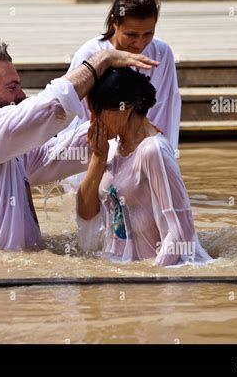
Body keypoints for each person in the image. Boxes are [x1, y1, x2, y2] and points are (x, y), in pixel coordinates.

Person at [0, 43, 158, 257]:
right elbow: (50, 107)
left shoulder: (5, 150)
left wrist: (117, 125)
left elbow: (53, 155)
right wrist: (102, 60)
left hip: (15, 277)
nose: (22, 95)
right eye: (12, 88)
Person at [76, 68, 212, 266]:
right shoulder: (111, 148)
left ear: (125, 108)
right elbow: (87, 215)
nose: (93, 120)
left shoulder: (153, 150)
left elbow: (180, 230)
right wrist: (98, 156)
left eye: (98, 111)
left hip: (151, 273)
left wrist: (152, 279)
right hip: (118, 270)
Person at [65, 0, 181, 151]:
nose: (139, 43)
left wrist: (164, 152)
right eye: (131, 35)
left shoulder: (162, 53)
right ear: (115, 22)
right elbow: (78, 114)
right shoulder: (90, 55)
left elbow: (165, 108)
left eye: (148, 34)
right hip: (93, 148)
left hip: (145, 146)